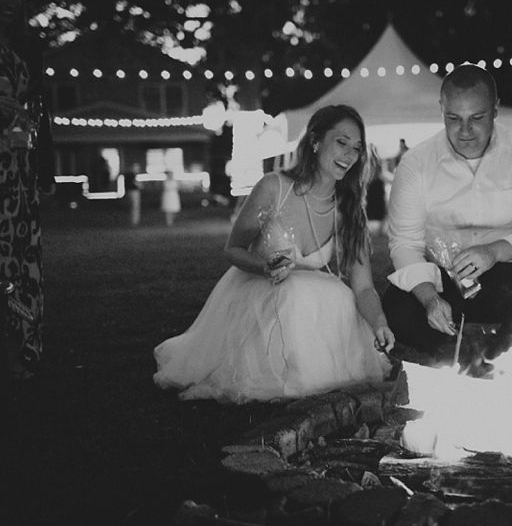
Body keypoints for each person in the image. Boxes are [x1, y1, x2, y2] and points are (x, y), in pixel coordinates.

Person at [154, 105, 394, 402]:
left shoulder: (347, 207)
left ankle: (317, 370)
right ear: (315, 141)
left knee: (338, 294)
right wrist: (265, 267)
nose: (349, 155)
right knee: (294, 290)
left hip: (308, 310)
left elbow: (364, 286)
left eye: (356, 148)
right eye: (341, 142)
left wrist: (380, 323)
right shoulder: (273, 188)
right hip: (260, 294)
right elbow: (234, 249)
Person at [382, 64, 512, 364]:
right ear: (441, 109)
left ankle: (501, 356)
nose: (465, 131)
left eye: (477, 118)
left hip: (504, 276)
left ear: (495, 109)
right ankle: (458, 359)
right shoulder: (416, 163)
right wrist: (429, 298)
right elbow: (404, 245)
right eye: (453, 119)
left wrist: (494, 252)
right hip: (443, 282)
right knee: (397, 305)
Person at [0, 0, 55, 377]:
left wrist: (44, 168)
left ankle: (18, 347)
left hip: (14, 172)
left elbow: (40, 110)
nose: (9, 2)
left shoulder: (27, 46)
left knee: (15, 261)